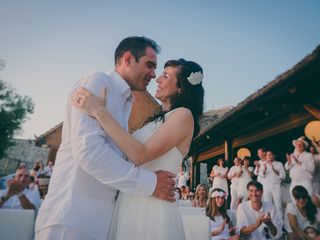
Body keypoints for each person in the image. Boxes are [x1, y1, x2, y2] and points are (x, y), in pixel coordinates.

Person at [35, 36, 177, 240]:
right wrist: (150, 183)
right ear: (128, 59)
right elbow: (89, 151)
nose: (154, 75)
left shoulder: (125, 102)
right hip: (71, 220)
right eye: (150, 65)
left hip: (99, 223)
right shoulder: (98, 81)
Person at [71, 58, 205, 239]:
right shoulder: (158, 119)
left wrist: (99, 111)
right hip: (132, 199)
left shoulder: (183, 115)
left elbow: (139, 155)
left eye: (166, 76)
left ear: (181, 87)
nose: (157, 79)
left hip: (152, 207)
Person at [285, 136, 315, 201]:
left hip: (305, 181)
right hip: (294, 182)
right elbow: (287, 168)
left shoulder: (309, 155)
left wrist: (299, 163)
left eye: (301, 144)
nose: (299, 145)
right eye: (297, 144)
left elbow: (312, 168)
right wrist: (289, 162)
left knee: (308, 200)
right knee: (294, 201)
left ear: (304, 146)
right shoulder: (292, 155)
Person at [262, 150, 285, 220]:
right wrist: (265, 169)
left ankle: (281, 224)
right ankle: (270, 223)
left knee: (278, 205)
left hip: (276, 187)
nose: (268, 156)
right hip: (266, 187)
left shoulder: (279, 164)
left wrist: (274, 169)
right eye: (267, 155)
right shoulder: (263, 164)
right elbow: (261, 176)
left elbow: (283, 176)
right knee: (268, 205)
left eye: (270, 155)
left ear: (274, 156)